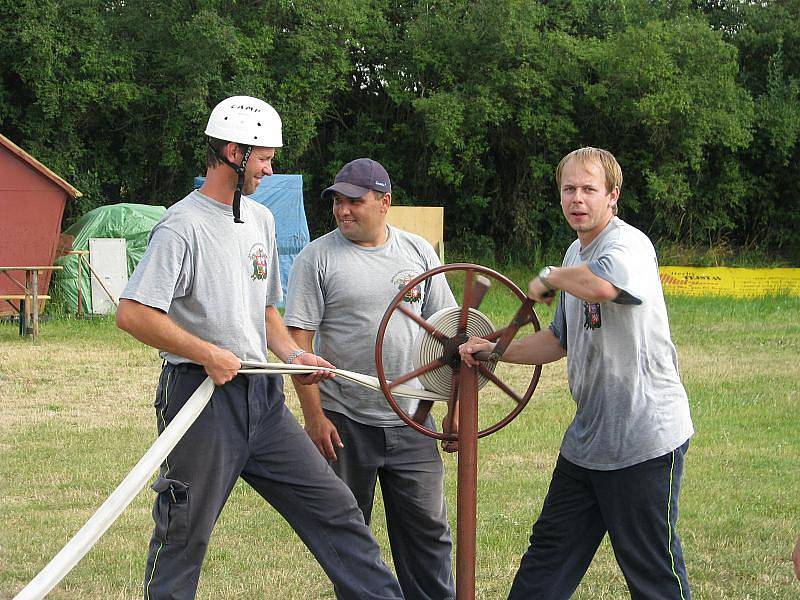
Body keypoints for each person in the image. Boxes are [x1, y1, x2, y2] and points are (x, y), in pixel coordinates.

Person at [116, 97, 403, 600]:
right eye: (265, 157)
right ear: (233, 151)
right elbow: (134, 313)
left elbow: (267, 313)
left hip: (263, 399)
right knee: (184, 532)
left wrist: (294, 357)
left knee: (334, 508)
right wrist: (205, 351)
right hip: (199, 399)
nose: (270, 169)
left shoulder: (261, 221)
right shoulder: (181, 226)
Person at [460, 147, 694, 600]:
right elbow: (558, 340)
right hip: (589, 442)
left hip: (643, 440)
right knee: (545, 564)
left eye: (589, 189)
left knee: (652, 574)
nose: (577, 199)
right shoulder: (575, 251)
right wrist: (495, 352)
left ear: (613, 196)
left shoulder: (628, 246)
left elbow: (605, 286)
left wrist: (550, 276)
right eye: (569, 189)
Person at [284, 157, 457, 600]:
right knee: (348, 533)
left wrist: (451, 414)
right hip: (345, 421)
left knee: (428, 534)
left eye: (354, 202)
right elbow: (298, 345)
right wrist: (315, 418)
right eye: (338, 202)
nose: (343, 211)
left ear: (384, 202)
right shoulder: (315, 258)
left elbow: (451, 334)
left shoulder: (418, 252)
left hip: (413, 419)